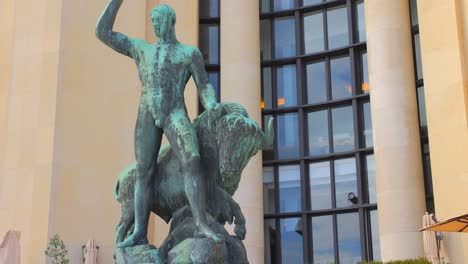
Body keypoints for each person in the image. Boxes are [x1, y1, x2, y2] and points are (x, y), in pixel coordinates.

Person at [96, 0, 221, 247]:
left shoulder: (188, 53)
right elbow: (103, 33)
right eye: (152, 21)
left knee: (193, 161)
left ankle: (199, 223)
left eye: (159, 21)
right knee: (144, 171)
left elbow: (204, 84)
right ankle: (140, 231)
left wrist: (211, 103)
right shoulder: (142, 48)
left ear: (171, 22)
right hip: (147, 113)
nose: (155, 25)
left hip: (175, 112)